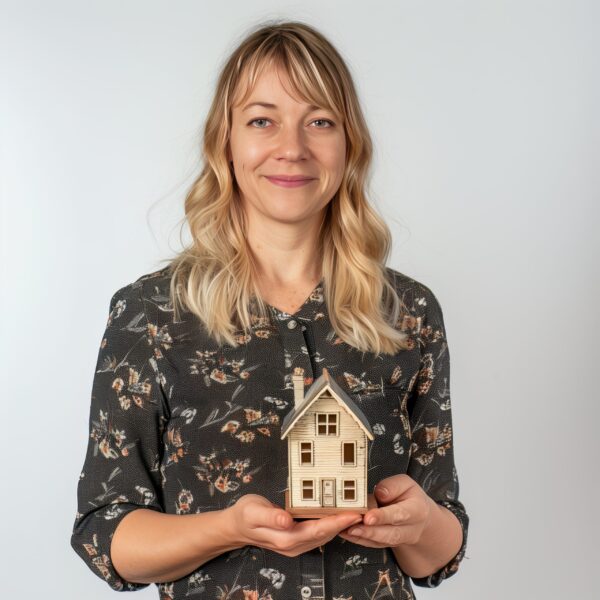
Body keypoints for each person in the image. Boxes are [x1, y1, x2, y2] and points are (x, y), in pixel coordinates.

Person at [70, 20, 469, 599]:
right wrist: (227, 528)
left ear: (349, 143)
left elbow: (440, 552)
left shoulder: (408, 312)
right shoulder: (151, 312)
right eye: (263, 120)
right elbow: (106, 536)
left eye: (320, 121)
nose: (293, 147)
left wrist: (419, 522)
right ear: (225, 142)